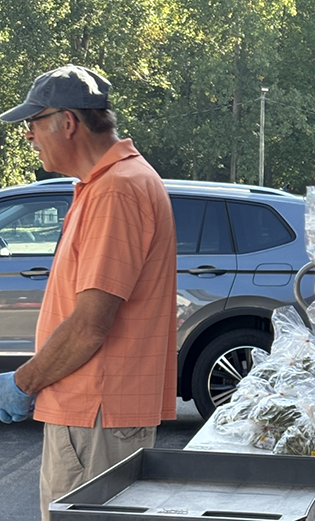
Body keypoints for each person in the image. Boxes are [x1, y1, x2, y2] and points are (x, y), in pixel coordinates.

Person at [0, 64, 177, 520]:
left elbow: (90, 325)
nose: (28, 136)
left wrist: (22, 383)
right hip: (97, 415)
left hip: (95, 416)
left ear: (68, 123)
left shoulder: (116, 190)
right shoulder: (107, 184)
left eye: (32, 123)